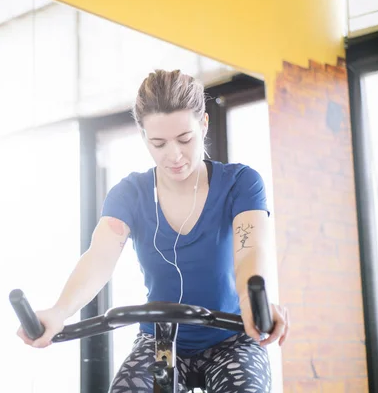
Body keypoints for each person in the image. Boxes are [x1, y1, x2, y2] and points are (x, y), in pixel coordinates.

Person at [17, 69, 289, 392]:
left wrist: (251, 303)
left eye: (185, 139)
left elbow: (250, 250)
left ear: (204, 124)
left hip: (231, 336)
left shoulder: (241, 184)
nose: (173, 155)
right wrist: (59, 311)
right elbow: (99, 258)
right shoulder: (129, 194)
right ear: (143, 136)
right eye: (158, 143)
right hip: (159, 341)